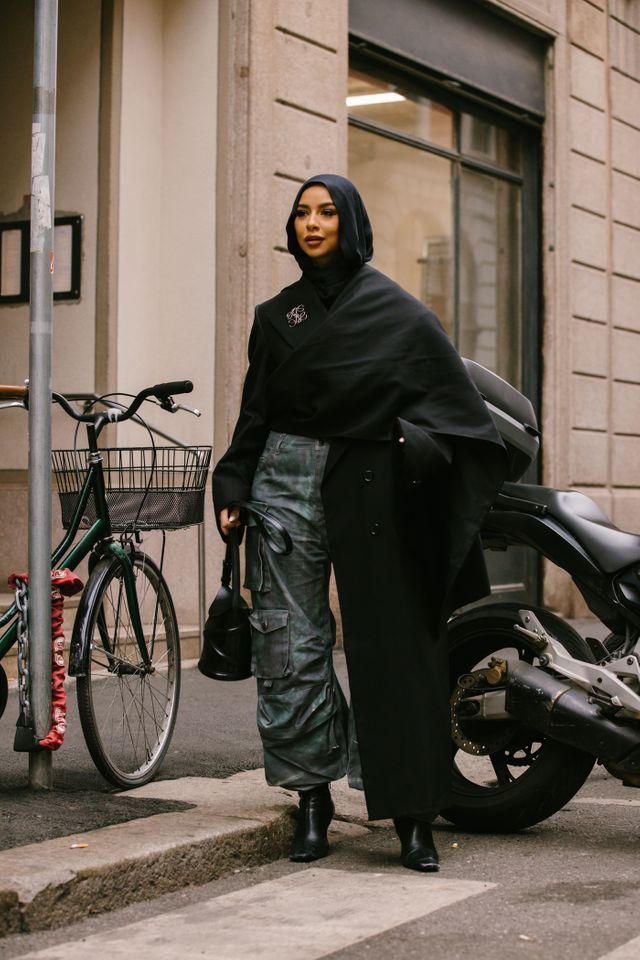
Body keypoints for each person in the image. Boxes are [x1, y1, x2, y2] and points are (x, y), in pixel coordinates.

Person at [213, 174, 507, 872]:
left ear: (350, 222)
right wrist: (232, 481)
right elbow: (256, 413)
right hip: (283, 479)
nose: (312, 223)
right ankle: (310, 801)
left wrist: (411, 450)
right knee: (290, 643)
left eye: (326, 212)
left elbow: (453, 412)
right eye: (302, 213)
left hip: (371, 480)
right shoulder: (274, 315)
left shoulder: (399, 313)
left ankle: (411, 814)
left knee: (395, 645)